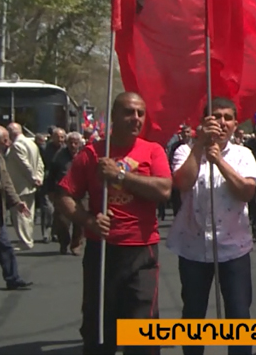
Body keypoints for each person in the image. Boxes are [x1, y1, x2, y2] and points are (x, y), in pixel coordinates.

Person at [54, 92, 172, 355]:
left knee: (142, 332)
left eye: (140, 113)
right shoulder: (92, 153)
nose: (136, 118)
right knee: (99, 330)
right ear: (113, 116)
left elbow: (164, 190)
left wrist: (120, 175)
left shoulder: (152, 151)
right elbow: (63, 196)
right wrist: (88, 221)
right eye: (129, 112)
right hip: (102, 250)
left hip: (142, 250)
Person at [168, 97, 256, 355]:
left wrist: (219, 161)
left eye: (228, 118)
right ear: (204, 120)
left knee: (239, 316)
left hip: (233, 249)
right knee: (193, 315)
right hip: (194, 248)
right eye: (216, 116)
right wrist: (200, 146)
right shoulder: (185, 151)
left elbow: (247, 192)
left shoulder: (243, 154)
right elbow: (182, 183)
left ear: (235, 124)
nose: (222, 122)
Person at [0, 126, 32, 290]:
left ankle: (13, 278)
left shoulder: (0, 157)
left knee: (5, 246)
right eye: (5, 140)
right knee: (4, 245)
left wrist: (17, 202)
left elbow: (6, 182)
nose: (8, 143)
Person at [5, 122, 45, 250]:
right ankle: (28, 238)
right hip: (30, 185)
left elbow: (24, 165)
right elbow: (40, 163)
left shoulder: (16, 146)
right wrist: (39, 177)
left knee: (20, 215)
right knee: (29, 214)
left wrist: (33, 178)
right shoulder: (31, 143)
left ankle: (25, 241)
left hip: (20, 185)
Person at [47, 132, 84, 255]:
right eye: (70, 142)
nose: (73, 145)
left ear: (80, 143)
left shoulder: (85, 154)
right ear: (67, 143)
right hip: (62, 192)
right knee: (61, 220)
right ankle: (64, 242)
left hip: (81, 192)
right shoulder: (59, 156)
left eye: (75, 143)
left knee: (80, 220)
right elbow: (51, 174)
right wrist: (50, 190)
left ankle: (76, 245)